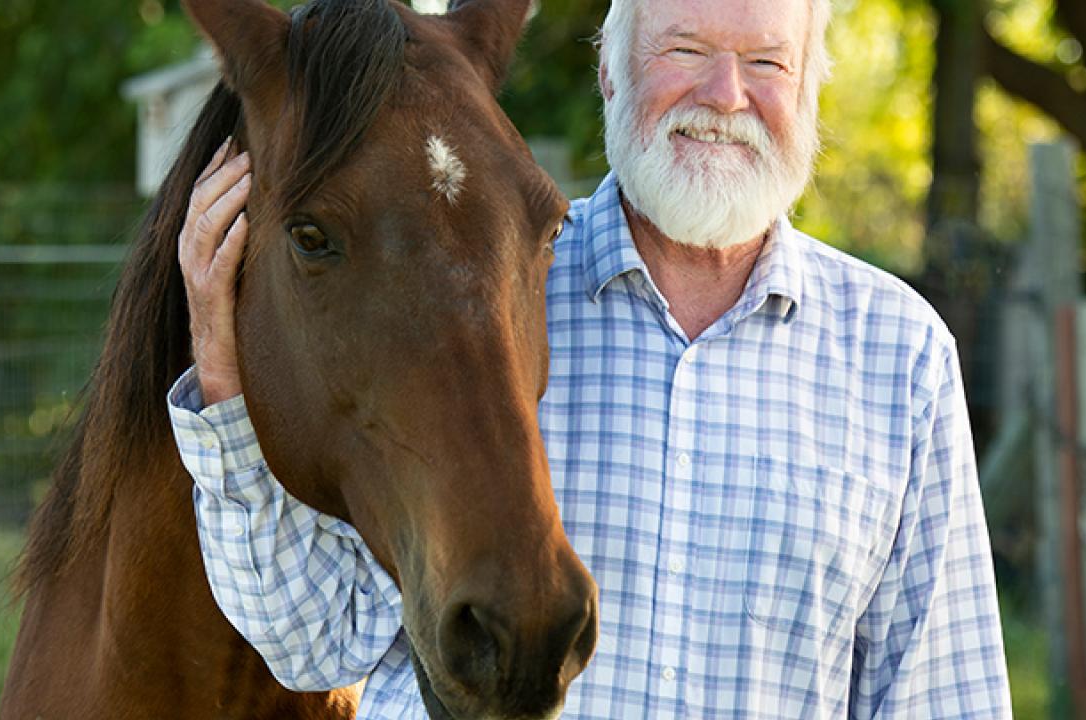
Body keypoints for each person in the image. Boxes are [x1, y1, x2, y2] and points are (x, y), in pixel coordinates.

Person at [168, 0, 1014, 717]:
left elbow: (939, 693)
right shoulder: (474, 295)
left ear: (811, 93)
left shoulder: (900, 356)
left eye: (768, 63)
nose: (727, 96)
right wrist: (220, 363)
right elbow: (312, 642)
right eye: (687, 52)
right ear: (610, 72)